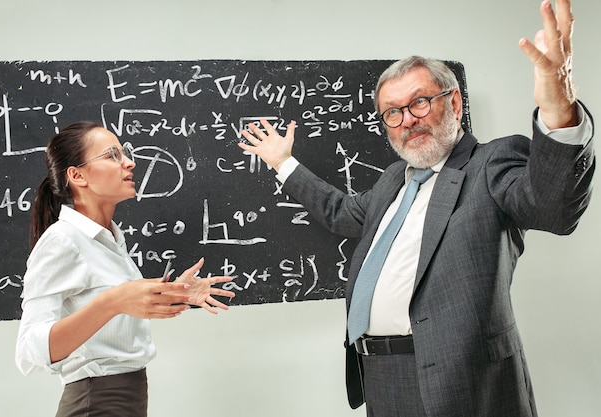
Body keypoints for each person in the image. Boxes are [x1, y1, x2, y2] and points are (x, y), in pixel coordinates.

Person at [238, 1, 594, 416]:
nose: (407, 119)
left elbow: (553, 207)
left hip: (464, 381)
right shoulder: (393, 180)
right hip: (381, 376)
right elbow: (339, 212)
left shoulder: (490, 164)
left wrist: (559, 110)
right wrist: (283, 162)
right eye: (393, 113)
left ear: (455, 103)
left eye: (420, 102)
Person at [15, 121, 235, 417]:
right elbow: (29, 352)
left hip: (127, 400)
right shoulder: (62, 240)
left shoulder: (109, 239)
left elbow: (115, 322)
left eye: (125, 153)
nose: (129, 162)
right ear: (77, 175)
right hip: (96, 403)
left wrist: (173, 293)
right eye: (112, 155)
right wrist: (112, 302)